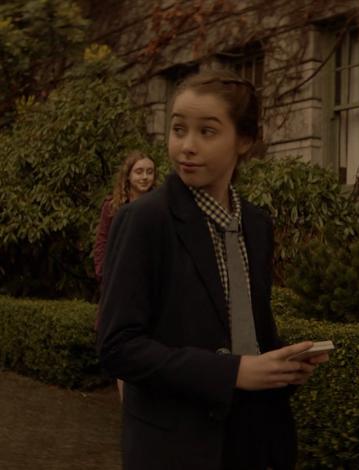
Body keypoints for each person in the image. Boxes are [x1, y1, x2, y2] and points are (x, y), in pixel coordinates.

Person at [97, 69, 328, 470]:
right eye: (178, 129)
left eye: (207, 132)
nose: (186, 146)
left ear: (244, 141)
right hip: (175, 446)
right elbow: (118, 347)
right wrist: (233, 371)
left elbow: (247, 330)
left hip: (252, 438)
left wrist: (281, 366)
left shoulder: (255, 223)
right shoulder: (144, 220)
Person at [93, 151, 156, 284]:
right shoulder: (112, 207)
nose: (145, 177)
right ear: (128, 175)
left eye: (149, 172)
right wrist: (104, 274)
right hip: (117, 277)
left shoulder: (159, 206)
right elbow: (102, 242)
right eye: (139, 172)